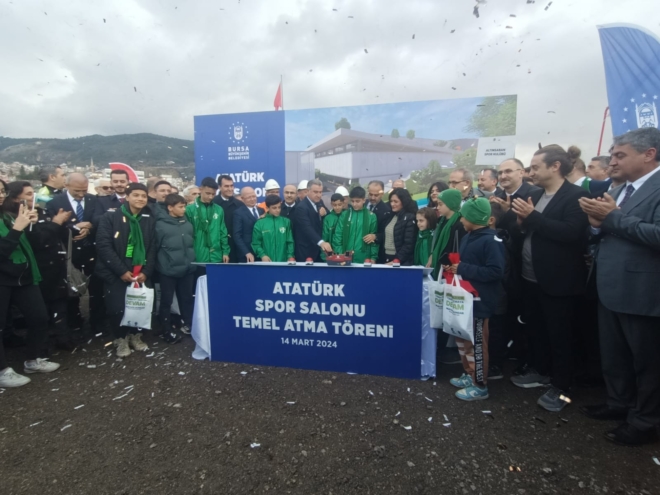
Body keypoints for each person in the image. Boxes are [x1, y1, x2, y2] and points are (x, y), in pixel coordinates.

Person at [578, 127, 660, 446]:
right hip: (610, 287)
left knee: (647, 362)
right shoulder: (624, 189)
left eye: (619, 155)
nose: (612, 161)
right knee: (615, 356)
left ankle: (645, 421)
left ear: (649, 154)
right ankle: (619, 403)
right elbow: (612, 230)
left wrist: (612, 218)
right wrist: (597, 226)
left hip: (642, 292)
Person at [509, 145, 589, 412]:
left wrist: (533, 218)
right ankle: (541, 371)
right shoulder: (538, 194)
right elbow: (529, 230)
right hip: (531, 278)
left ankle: (562, 386)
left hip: (559, 281)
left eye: (535, 167)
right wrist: (522, 224)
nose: (531, 172)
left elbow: (572, 233)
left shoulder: (576, 195)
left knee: (561, 335)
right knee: (537, 330)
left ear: (555, 166)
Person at [444, 198, 505, 401]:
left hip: (480, 302)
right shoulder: (469, 236)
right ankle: (469, 373)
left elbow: (496, 271)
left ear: (473, 218)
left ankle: (480, 384)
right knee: (463, 339)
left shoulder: (491, 240)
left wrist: (462, 268)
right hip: (465, 300)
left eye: (464, 216)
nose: (461, 219)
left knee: (478, 343)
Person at [0, 200, 62, 387]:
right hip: (3, 278)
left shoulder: (8, 217)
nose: (0, 195)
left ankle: (33, 360)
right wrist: (17, 229)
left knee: (39, 318)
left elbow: (34, 245)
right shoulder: (14, 222)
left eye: (2, 191)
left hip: (24, 276)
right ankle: (3, 371)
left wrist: (30, 226)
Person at [6, 182, 75, 351]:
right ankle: (39, 348)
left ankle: (62, 338)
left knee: (58, 304)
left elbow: (54, 235)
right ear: (16, 198)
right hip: (37, 269)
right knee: (39, 312)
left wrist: (61, 223)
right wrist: (55, 224)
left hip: (55, 265)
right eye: (28, 194)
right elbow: (38, 241)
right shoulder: (14, 218)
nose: (33, 197)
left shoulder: (41, 211)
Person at [95, 183, 156, 358]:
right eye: (136, 195)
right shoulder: (111, 217)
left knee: (142, 306)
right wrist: (121, 271)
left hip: (141, 271)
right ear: (127, 197)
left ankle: (136, 335)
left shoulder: (148, 219)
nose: (140, 199)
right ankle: (120, 339)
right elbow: (104, 246)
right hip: (116, 272)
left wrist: (147, 271)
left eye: (143, 196)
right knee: (117, 308)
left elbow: (153, 247)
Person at [46, 173, 99, 338]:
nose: (81, 194)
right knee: (70, 291)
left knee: (96, 289)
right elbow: (52, 224)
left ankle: (96, 324)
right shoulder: (55, 202)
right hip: (68, 252)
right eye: (77, 191)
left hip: (92, 251)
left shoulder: (93, 200)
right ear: (67, 186)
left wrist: (90, 226)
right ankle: (75, 325)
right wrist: (74, 227)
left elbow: (99, 218)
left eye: (84, 190)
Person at [155, 193, 195, 343]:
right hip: (168, 270)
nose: (184, 209)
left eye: (184, 206)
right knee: (166, 301)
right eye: (181, 207)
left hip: (187, 269)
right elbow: (155, 247)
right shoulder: (160, 225)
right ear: (170, 208)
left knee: (186, 299)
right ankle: (166, 329)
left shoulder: (186, 222)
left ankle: (189, 324)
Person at [185, 177, 230, 272]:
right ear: (200, 189)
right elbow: (187, 235)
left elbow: (223, 232)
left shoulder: (219, 209)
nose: (210, 197)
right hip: (198, 257)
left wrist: (225, 252)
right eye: (208, 193)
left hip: (216, 257)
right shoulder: (190, 209)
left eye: (213, 194)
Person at [490, 158, 541, 234]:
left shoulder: (536, 194)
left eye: (508, 171)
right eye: (500, 173)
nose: (503, 176)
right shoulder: (497, 197)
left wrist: (508, 211)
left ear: (521, 172)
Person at [332, 186, 378, 263]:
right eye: (352, 201)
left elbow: (374, 241)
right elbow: (338, 236)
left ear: (364, 200)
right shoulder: (344, 215)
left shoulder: (371, 216)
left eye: (357, 201)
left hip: (364, 257)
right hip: (345, 256)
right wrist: (340, 254)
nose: (354, 204)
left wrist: (373, 258)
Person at [291, 179, 332, 262]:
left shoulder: (320, 202)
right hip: (306, 251)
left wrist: (325, 213)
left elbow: (328, 216)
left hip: (318, 251)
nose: (318, 195)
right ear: (308, 191)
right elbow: (307, 228)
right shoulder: (301, 208)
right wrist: (321, 243)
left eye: (320, 192)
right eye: (315, 192)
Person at [430, 189, 466, 279]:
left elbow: (459, 247)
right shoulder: (441, 221)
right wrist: (432, 255)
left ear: (451, 204)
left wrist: (451, 262)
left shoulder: (460, 223)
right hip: (441, 265)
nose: (438, 207)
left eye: (441, 204)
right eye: (437, 204)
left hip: (452, 268)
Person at [376, 188, 418, 265]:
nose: (392, 204)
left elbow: (409, 244)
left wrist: (396, 261)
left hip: (399, 262)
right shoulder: (390, 216)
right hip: (386, 258)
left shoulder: (410, 217)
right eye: (391, 201)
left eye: (396, 201)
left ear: (404, 202)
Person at [251, 195, 294, 262]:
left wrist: (290, 256)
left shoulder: (286, 222)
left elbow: (290, 242)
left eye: (279, 207)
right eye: (274, 208)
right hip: (267, 262)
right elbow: (256, 243)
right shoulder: (259, 223)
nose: (277, 210)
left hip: (284, 262)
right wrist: (262, 255)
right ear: (267, 208)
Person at [212, 175, 240, 262]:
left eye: (231, 186)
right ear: (219, 187)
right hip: (218, 247)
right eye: (226, 186)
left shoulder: (239, 204)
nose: (230, 189)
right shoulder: (213, 203)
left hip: (235, 247)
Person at [233, 187, 264, 263]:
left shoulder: (261, 211)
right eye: (249, 197)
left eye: (254, 196)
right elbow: (237, 235)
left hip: (261, 253)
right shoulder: (238, 213)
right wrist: (246, 252)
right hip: (247, 255)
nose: (252, 199)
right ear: (242, 198)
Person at [322, 193, 345, 259]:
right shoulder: (327, 218)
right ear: (331, 204)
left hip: (345, 252)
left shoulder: (347, 216)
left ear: (343, 203)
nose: (337, 207)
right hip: (331, 253)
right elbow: (325, 237)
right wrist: (325, 256)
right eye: (335, 205)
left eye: (339, 205)